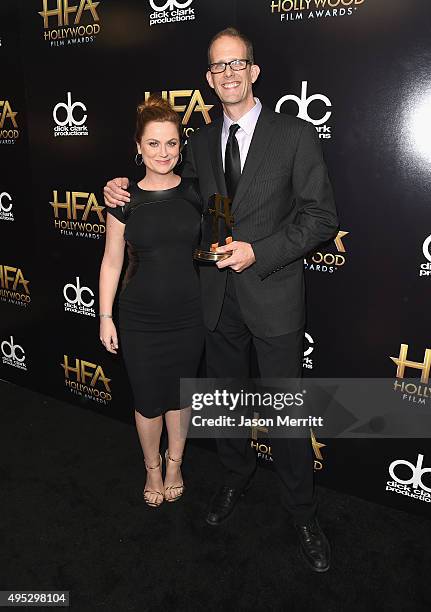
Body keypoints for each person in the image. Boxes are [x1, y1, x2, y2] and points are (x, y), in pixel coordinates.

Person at [103, 28, 338, 571]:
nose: (228, 73)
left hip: (273, 295)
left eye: (238, 64)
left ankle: (303, 513)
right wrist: (118, 189)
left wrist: (262, 251)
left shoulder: (295, 135)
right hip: (212, 301)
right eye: (217, 67)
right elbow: (159, 185)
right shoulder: (201, 142)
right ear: (209, 80)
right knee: (227, 407)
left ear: (254, 72)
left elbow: (322, 218)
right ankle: (234, 481)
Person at [99, 95, 204, 508]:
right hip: (140, 319)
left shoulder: (197, 194)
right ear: (138, 146)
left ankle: (176, 463)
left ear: (181, 147)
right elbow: (111, 262)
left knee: (180, 397)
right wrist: (105, 316)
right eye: (154, 143)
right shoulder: (122, 199)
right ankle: (152, 470)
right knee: (147, 400)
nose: (164, 152)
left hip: (189, 315)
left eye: (172, 143)